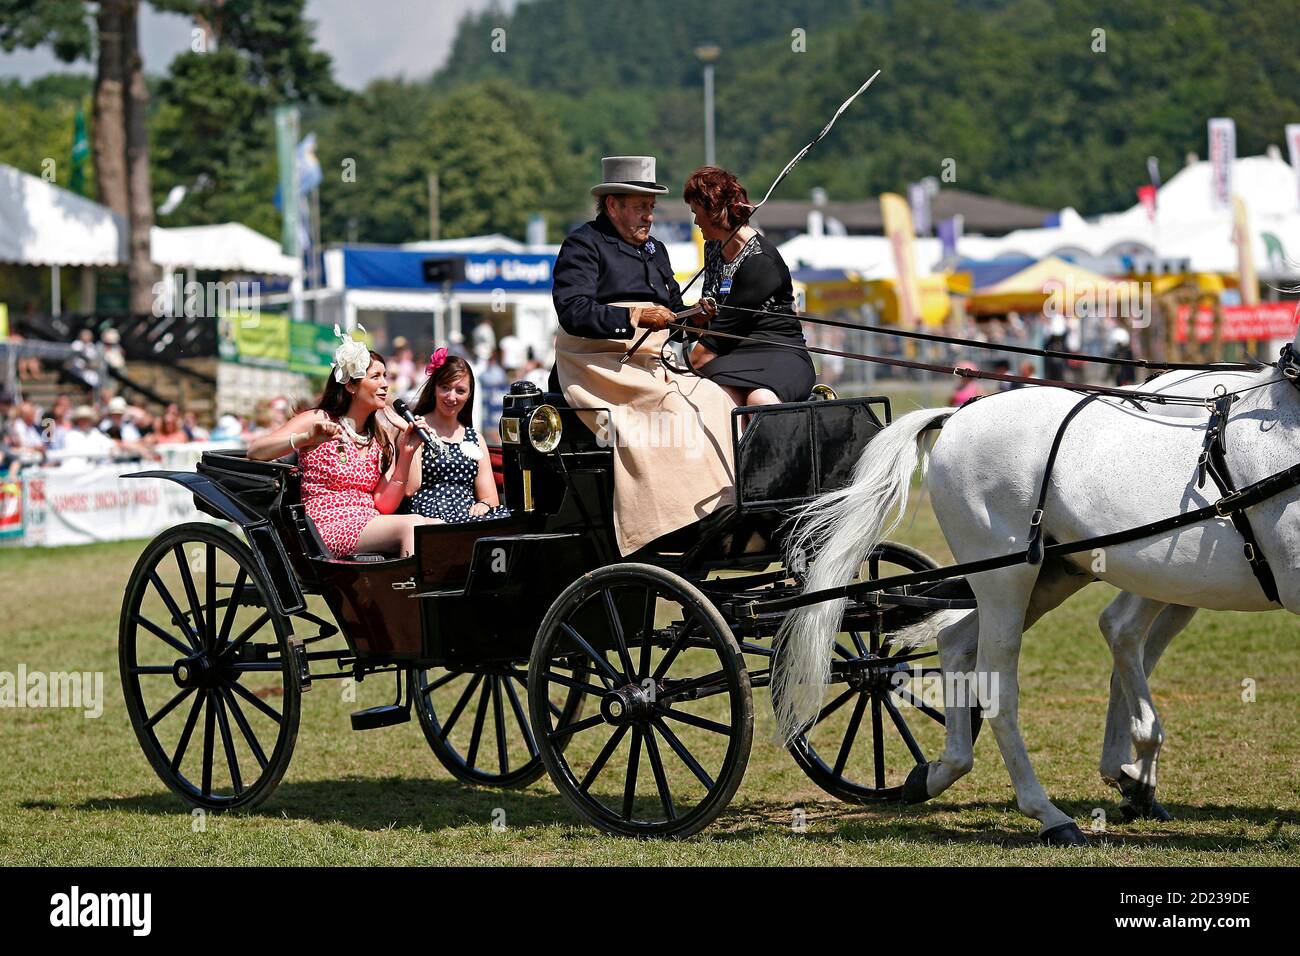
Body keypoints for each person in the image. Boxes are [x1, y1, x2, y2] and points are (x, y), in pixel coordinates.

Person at [550, 155, 736, 556]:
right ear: (613, 205)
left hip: (651, 360)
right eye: (640, 207)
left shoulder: (656, 250)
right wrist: (634, 315)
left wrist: (695, 317)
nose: (648, 216)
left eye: (651, 207)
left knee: (713, 399)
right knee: (669, 406)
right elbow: (573, 310)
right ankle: (668, 519)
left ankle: (719, 503)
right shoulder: (583, 245)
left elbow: (671, 309)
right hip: (598, 365)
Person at [247, 331, 439, 558]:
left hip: (370, 521)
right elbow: (256, 451)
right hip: (325, 526)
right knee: (412, 526)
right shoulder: (318, 418)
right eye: (375, 377)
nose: (385, 384)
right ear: (351, 386)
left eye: (385, 376)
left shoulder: (381, 436)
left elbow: (385, 505)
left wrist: (407, 451)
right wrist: (306, 438)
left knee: (437, 527)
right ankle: (410, 592)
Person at [682, 166, 816, 406]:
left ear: (715, 211)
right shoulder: (713, 247)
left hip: (779, 352)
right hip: (733, 355)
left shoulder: (761, 260)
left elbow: (716, 340)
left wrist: (679, 373)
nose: (695, 220)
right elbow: (713, 315)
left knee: (760, 398)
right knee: (720, 399)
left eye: (697, 211)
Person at [407, 349, 510, 523]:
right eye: (445, 388)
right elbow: (408, 489)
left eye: (460, 390)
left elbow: (490, 498)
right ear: (434, 388)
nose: (451, 396)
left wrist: (483, 505)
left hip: (468, 517)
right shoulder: (417, 428)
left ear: (469, 395)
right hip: (428, 517)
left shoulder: (474, 437)